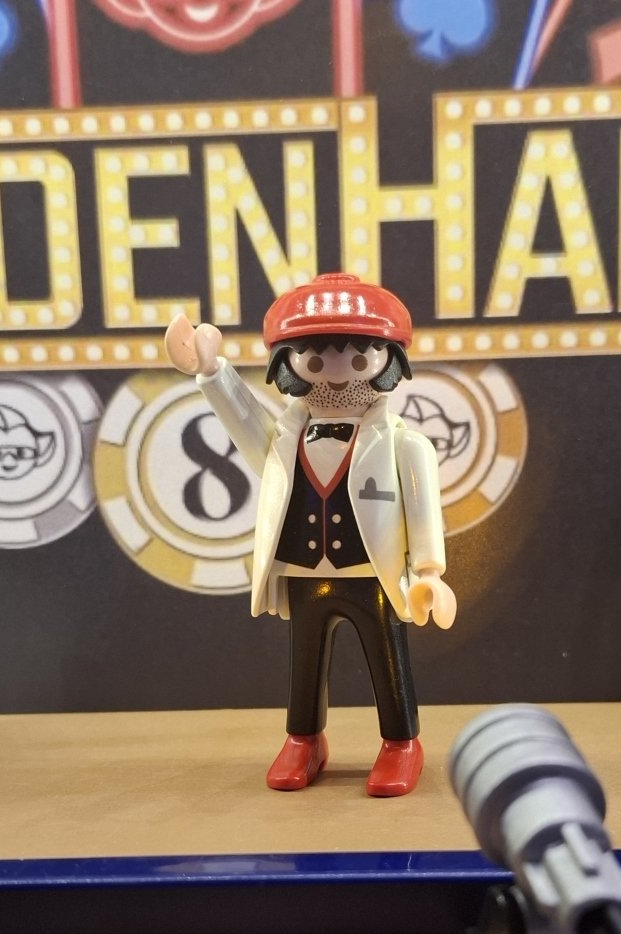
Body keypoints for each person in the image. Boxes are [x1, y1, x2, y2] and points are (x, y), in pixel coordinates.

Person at [165, 273, 455, 796]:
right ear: (287, 366)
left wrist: (429, 572)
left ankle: (401, 743)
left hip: (373, 574)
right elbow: (243, 420)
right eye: (315, 363)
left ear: (390, 361)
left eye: (359, 361)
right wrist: (213, 372)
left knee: (387, 661)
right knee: (305, 663)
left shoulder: (405, 445)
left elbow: (423, 510)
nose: (338, 377)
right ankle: (303, 738)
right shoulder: (283, 440)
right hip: (303, 573)